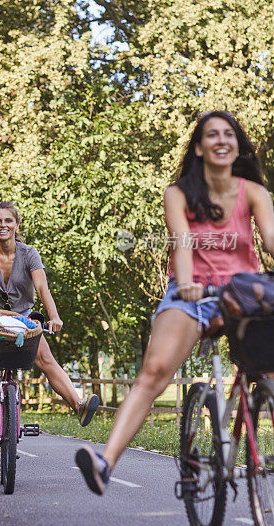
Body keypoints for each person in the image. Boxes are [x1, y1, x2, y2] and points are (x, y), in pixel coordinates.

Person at [76, 111, 274, 495]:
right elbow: (182, 243)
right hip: (194, 294)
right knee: (154, 371)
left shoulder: (253, 192)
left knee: (267, 376)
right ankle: (104, 463)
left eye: (228, 135)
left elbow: (271, 241)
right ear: (199, 147)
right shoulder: (179, 192)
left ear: (237, 145)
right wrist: (186, 285)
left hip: (243, 297)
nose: (221, 141)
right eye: (212, 135)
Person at [0, 201, 100, 438]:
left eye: (8, 220)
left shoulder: (29, 253)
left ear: (17, 224)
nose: (3, 225)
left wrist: (54, 316)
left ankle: (78, 405)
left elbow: (42, 288)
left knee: (45, 358)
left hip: (23, 321)